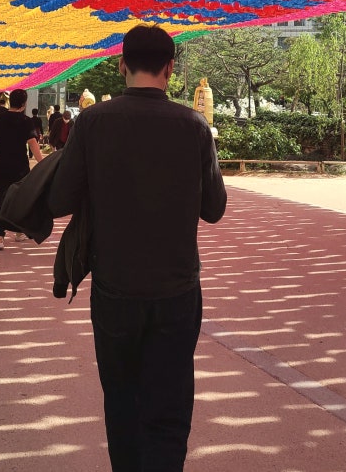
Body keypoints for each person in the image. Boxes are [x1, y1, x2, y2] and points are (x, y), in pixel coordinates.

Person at [48, 25, 227, 472]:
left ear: (121, 64)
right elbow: (214, 209)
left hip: (115, 288)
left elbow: (59, 200)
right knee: (169, 408)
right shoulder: (194, 125)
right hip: (177, 289)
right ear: (170, 68)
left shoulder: (92, 122)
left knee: (122, 402)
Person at [0, 88, 44, 251]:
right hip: (20, 168)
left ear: (10, 102)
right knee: (20, 200)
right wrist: (43, 163)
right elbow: (33, 144)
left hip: (0, 165)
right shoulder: (26, 121)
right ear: (24, 104)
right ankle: (19, 232)